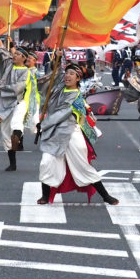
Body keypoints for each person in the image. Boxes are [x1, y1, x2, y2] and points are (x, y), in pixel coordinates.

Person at [35, 62, 118, 206]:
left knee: (82, 165)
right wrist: (58, 58)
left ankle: (105, 195)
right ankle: (45, 195)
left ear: (78, 78)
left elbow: (62, 114)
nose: (68, 75)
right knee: (46, 162)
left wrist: (44, 124)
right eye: (66, 73)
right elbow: (51, 78)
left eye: (72, 74)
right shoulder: (58, 89)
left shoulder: (77, 96)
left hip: (71, 131)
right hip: (54, 132)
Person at [0, 39, 32, 171]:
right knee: (5, 133)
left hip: (18, 102)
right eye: (14, 54)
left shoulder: (26, 71)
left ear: (24, 58)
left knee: (16, 123)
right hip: (5, 103)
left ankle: (18, 139)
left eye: (18, 55)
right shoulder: (9, 64)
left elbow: (18, 88)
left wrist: (1, 87)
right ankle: (12, 162)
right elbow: (2, 50)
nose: (14, 56)